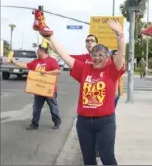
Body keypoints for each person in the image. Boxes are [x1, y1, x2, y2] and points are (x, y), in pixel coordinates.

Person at [35, 14, 125, 165]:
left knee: (107, 157)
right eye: (94, 55)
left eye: (101, 55)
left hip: (105, 122)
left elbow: (121, 53)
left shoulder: (112, 70)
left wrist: (119, 34)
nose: (97, 58)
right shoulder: (84, 68)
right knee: (88, 160)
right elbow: (64, 55)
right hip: (84, 122)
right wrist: (50, 37)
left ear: (107, 57)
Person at [10, 44, 61, 130]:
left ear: (42, 50)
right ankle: (34, 124)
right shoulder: (36, 61)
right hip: (38, 89)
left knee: (53, 107)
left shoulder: (52, 61)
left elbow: (57, 71)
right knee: (36, 107)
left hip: (50, 90)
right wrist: (14, 62)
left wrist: (47, 73)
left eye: (38, 50)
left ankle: (57, 122)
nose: (37, 51)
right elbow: (26, 65)